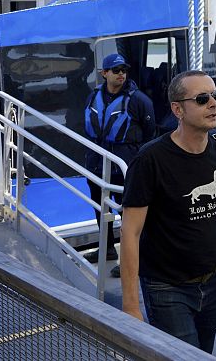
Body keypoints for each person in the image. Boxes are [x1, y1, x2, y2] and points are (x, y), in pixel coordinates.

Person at [120, 70, 216, 353]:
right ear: (177, 109)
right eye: (202, 98)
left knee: (203, 353)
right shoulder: (150, 160)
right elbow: (130, 232)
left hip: (212, 279)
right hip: (167, 288)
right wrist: (131, 306)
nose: (213, 104)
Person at [83, 53, 155, 276]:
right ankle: (107, 249)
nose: (121, 74)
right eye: (116, 70)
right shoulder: (94, 96)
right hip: (97, 162)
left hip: (125, 165)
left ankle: (133, 259)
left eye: (124, 69)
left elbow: (150, 133)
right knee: (99, 207)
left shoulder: (138, 100)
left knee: (129, 214)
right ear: (104, 73)